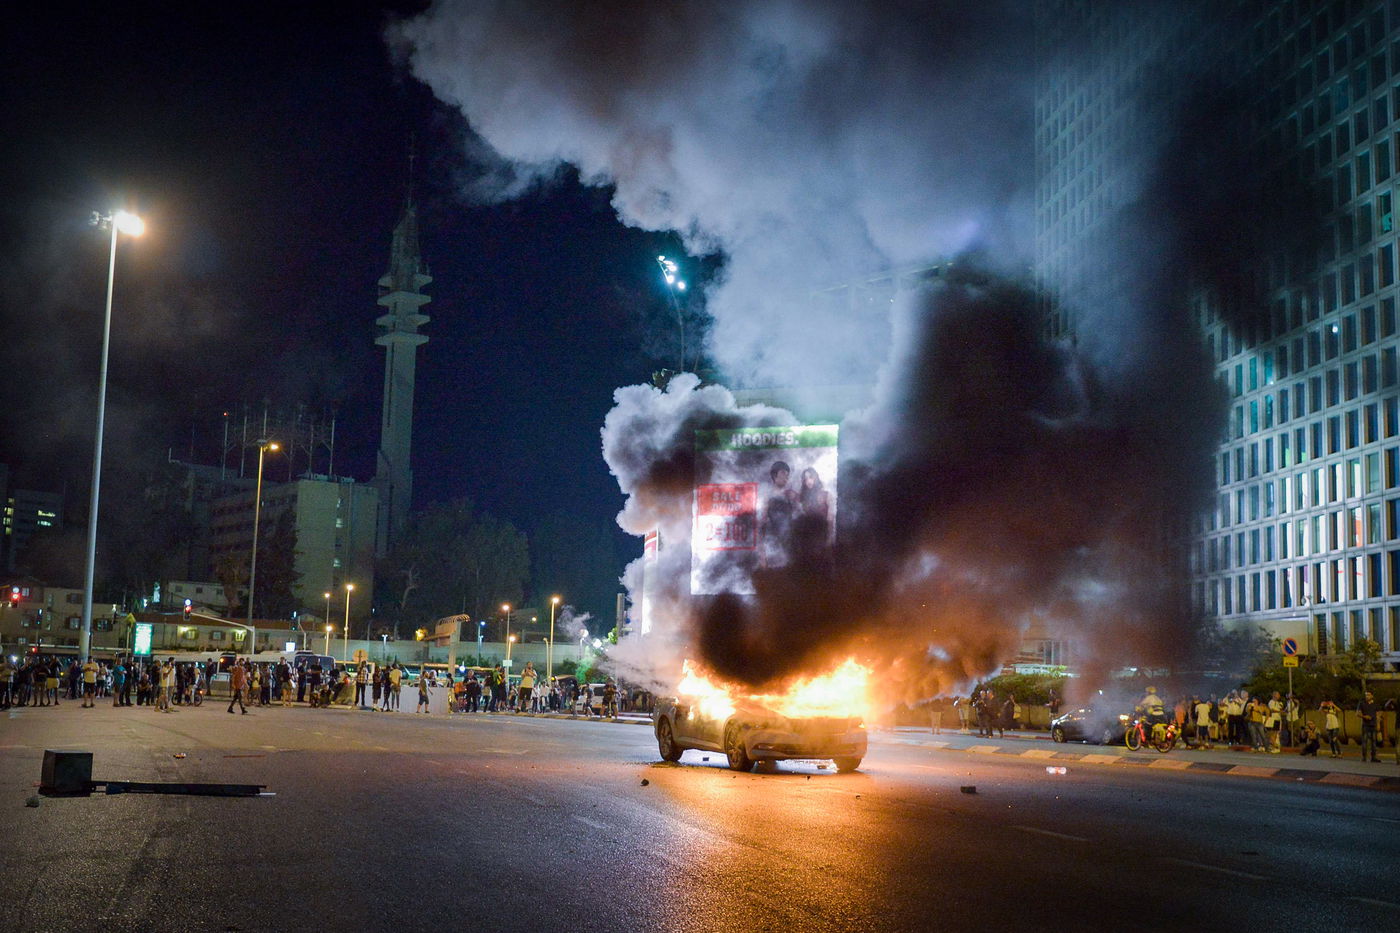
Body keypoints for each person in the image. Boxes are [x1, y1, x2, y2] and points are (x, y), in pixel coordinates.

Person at [1358, 691, 1380, 762]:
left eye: (1368, 695)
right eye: (1366, 695)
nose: (1367, 696)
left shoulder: (1375, 704)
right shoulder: (1362, 703)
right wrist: (1365, 716)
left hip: (1373, 724)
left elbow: (1377, 714)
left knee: (1374, 742)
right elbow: (1358, 713)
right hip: (1365, 725)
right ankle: (1364, 757)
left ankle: (1373, 757)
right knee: (1364, 741)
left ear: (1372, 696)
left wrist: (1378, 724)